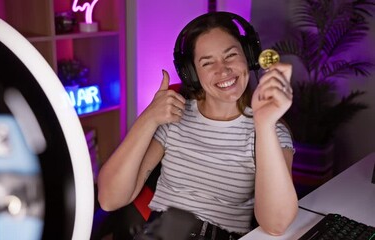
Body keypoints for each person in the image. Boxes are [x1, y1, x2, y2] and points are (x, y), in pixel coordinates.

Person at [98, 11, 298, 240]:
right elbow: (109, 199)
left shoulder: (271, 130)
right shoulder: (174, 119)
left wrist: (264, 125)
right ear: (191, 73)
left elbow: (276, 224)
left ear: (249, 56)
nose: (222, 70)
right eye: (207, 62)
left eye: (231, 55)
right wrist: (149, 118)